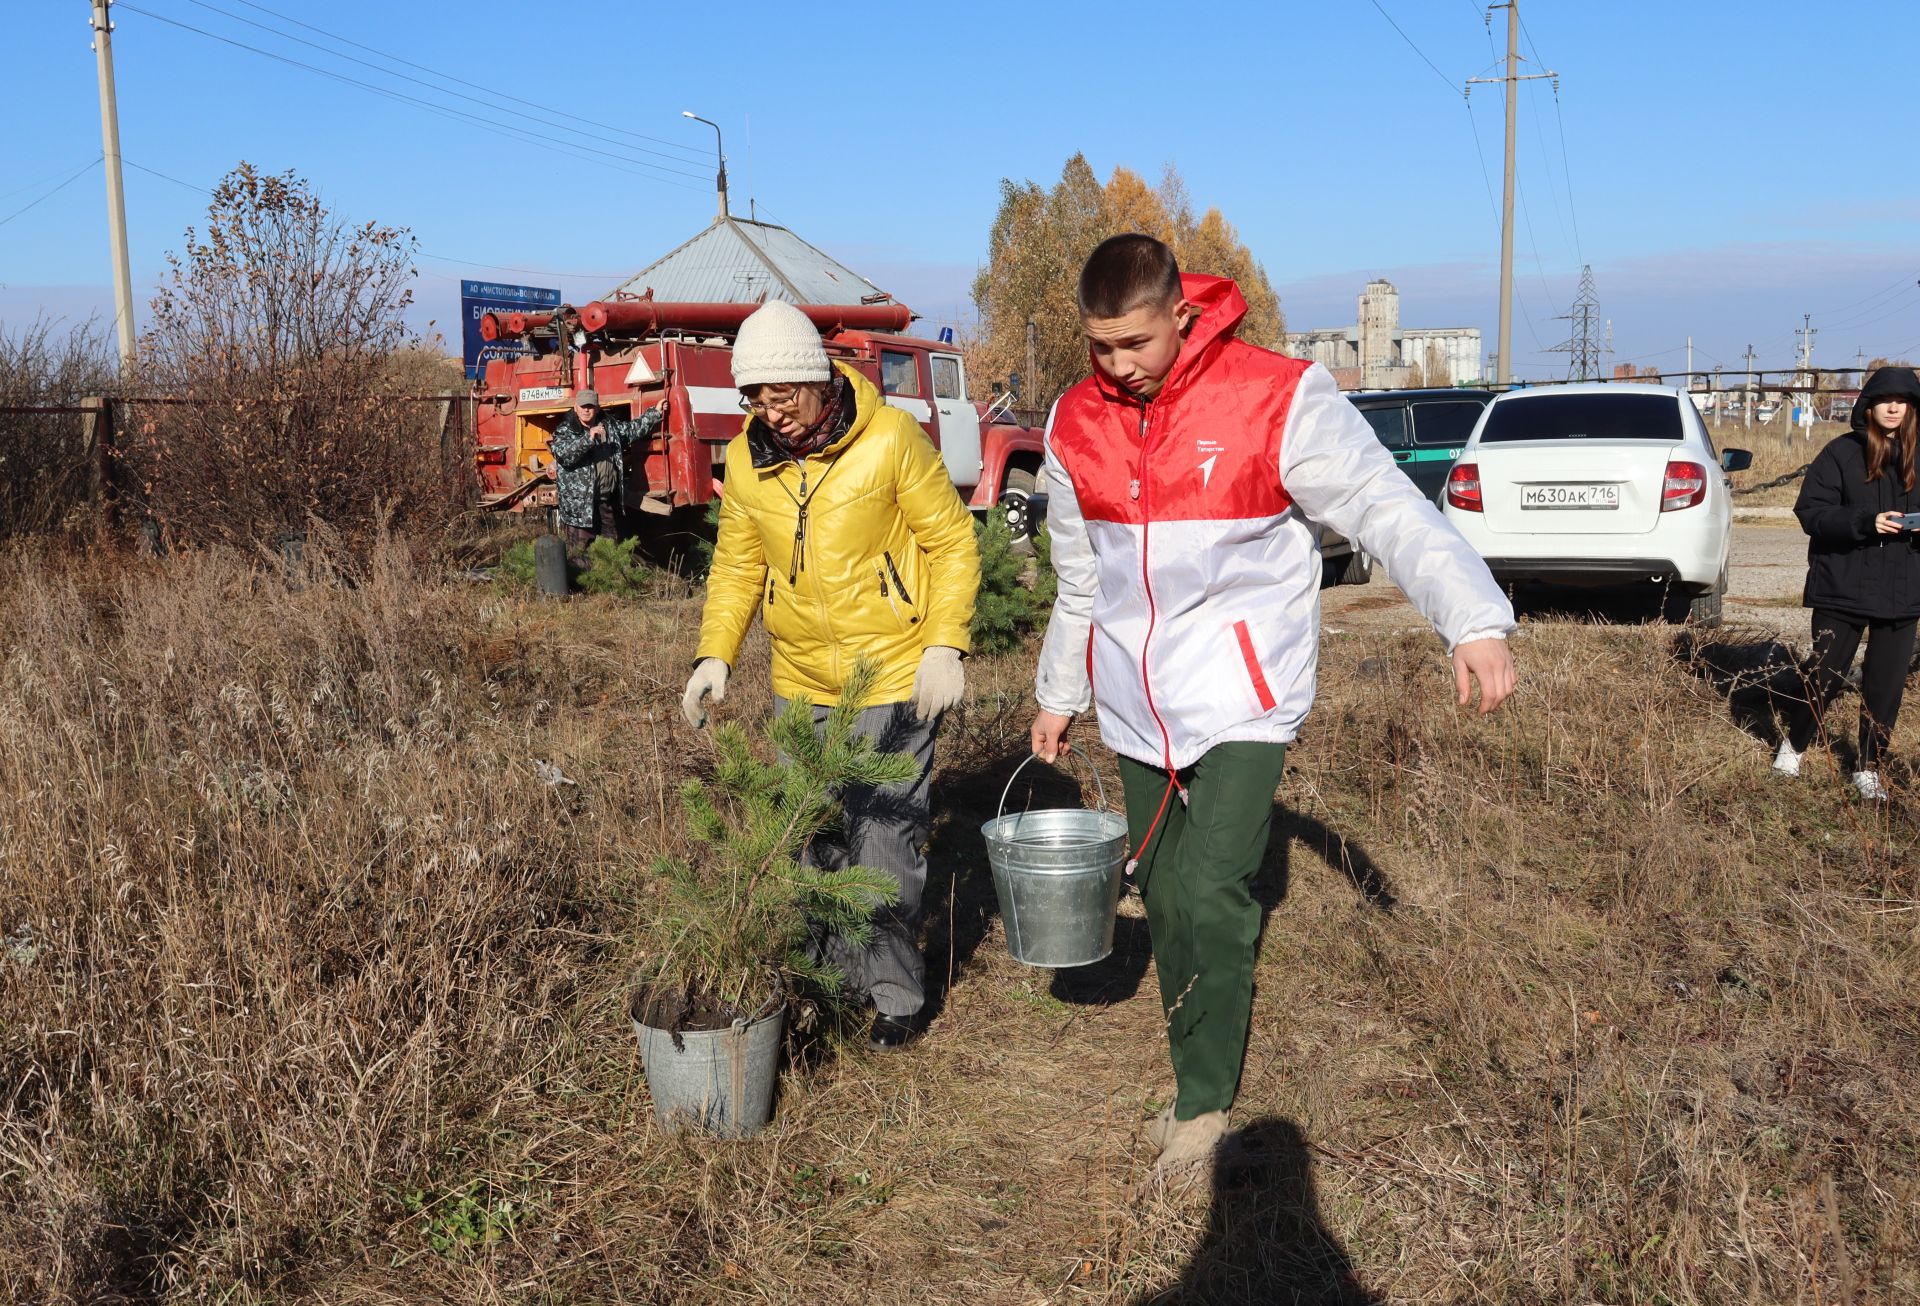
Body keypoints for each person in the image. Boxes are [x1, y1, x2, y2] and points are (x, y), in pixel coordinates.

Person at [1029, 234, 1517, 1177]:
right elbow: (1078, 578)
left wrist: (1472, 621)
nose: (1119, 367)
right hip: (1135, 702)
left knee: (1208, 889)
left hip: (1246, 696)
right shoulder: (1072, 420)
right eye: (1100, 348)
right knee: (1162, 890)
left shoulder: (1278, 397)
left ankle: (1206, 1105)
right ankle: (1190, 1070)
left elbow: (1386, 507)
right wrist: (1061, 693)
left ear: (1182, 312)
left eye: (1135, 343)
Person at [681, 300, 981, 1050]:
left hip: (892, 673)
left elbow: (951, 544)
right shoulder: (751, 460)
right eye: (756, 397)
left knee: (881, 843)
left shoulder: (888, 441)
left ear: (818, 380)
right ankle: (826, 983)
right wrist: (715, 652)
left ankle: (894, 996)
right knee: (814, 837)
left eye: (783, 394)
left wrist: (945, 645)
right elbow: (738, 564)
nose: (771, 412)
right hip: (800, 677)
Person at [1775, 366, 1920, 800]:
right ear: (1868, 406)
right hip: (1844, 583)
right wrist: (1865, 521)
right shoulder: (1841, 453)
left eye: (1903, 400)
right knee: (1825, 674)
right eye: (1885, 400)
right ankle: (1794, 746)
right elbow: (1811, 513)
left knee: (1886, 686)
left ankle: (1868, 766)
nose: (1894, 407)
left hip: (1904, 589)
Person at [548, 389, 666, 557]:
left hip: (605, 501)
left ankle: (608, 583)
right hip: (579, 507)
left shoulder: (610, 426)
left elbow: (632, 429)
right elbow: (563, 455)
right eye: (583, 406)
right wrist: (588, 438)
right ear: (576, 407)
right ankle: (582, 583)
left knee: (610, 552)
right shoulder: (565, 430)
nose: (586, 410)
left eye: (590, 406)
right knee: (580, 555)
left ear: (597, 408)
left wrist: (655, 413)